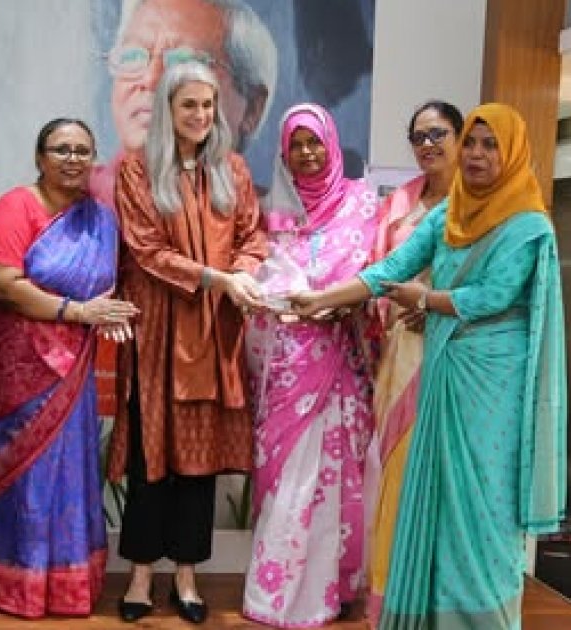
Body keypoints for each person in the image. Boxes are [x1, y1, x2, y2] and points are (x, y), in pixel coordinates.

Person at [291, 103, 567, 629]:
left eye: (490, 144)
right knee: (437, 497)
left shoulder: (528, 226)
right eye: (473, 144)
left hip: (494, 385)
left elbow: (493, 295)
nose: (477, 154)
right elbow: (390, 269)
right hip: (443, 372)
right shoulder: (447, 215)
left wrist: (426, 299)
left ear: (511, 153)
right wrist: (321, 298)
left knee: (484, 505)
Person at [107, 61, 268, 625]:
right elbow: (147, 250)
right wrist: (218, 278)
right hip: (156, 333)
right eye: (188, 105)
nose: (200, 115)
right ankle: (140, 574)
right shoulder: (136, 169)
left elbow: (253, 236)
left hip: (212, 333)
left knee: (199, 463)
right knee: (151, 457)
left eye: (207, 105)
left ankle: (186, 575)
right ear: (168, 111)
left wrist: (242, 273)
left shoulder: (232, 169)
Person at [0, 119, 138, 618]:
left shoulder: (100, 219)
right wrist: (77, 311)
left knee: (69, 475)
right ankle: (10, 584)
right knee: (19, 480)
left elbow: (113, 283)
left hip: (72, 372)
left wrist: (110, 312)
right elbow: (1, 283)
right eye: (62, 149)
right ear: (40, 158)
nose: (73, 159)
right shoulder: (15, 207)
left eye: (83, 150)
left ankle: (63, 585)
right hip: (15, 370)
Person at [241, 103, 378, 627]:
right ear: (283, 153)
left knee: (340, 476)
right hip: (288, 364)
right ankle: (277, 594)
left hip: (343, 362)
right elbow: (255, 280)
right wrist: (279, 296)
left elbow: (380, 275)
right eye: (295, 144)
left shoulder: (363, 204)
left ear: (332, 144)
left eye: (314, 141)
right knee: (289, 478)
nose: (306, 152)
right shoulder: (270, 215)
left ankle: (334, 588)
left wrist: (340, 302)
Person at [363, 99, 464, 625]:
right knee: (396, 475)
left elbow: (489, 286)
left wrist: (438, 307)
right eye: (419, 136)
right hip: (400, 353)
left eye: (438, 133)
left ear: (460, 137)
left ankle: (439, 603)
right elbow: (378, 270)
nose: (428, 144)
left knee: (447, 481)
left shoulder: (481, 204)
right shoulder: (400, 202)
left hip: (455, 357)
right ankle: (392, 598)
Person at [94, 0, 278, 205]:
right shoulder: (74, 207)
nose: (151, 80)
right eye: (132, 56)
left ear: (252, 109)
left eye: (184, 62)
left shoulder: (277, 220)